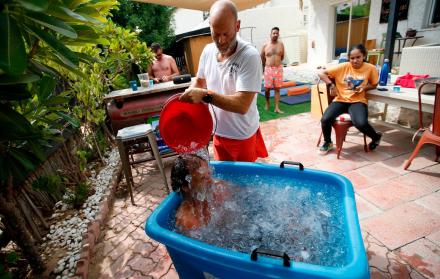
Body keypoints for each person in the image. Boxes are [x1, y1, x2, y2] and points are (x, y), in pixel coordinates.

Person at [179, 0, 268, 162]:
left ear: (237, 26)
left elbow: (242, 104)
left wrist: (205, 95)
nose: (220, 40)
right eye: (216, 34)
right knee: (225, 183)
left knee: (245, 185)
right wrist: (191, 92)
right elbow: (199, 81)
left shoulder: (249, 56)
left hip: (242, 136)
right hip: (218, 133)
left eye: (226, 34)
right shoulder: (207, 51)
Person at [318, 44, 382, 155]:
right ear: (349, 58)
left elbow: (374, 84)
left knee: (361, 123)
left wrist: (364, 87)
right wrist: (331, 85)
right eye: (352, 58)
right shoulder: (343, 66)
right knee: (325, 119)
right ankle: (328, 142)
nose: (355, 60)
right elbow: (321, 73)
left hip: (358, 101)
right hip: (341, 100)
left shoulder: (370, 68)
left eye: (358, 57)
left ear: (364, 56)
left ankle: (376, 137)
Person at [171, 154, 229, 230]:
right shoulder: (189, 221)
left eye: (208, 174)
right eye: (203, 178)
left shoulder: (215, 191)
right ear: (186, 187)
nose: (211, 181)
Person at [261, 27, 285, 113]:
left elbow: (282, 56)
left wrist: (277, 63)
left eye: (277, 33)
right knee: (267, 89)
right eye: (273, 33)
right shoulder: (265, 45)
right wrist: (264, 68)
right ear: (270, 34)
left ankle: (277, 107)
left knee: (277, 89)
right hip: (268, 69)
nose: (275, 35)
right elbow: (262, 57)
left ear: (278, 34)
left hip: (278, 69)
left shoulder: (281, 44)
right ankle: (267, 103)